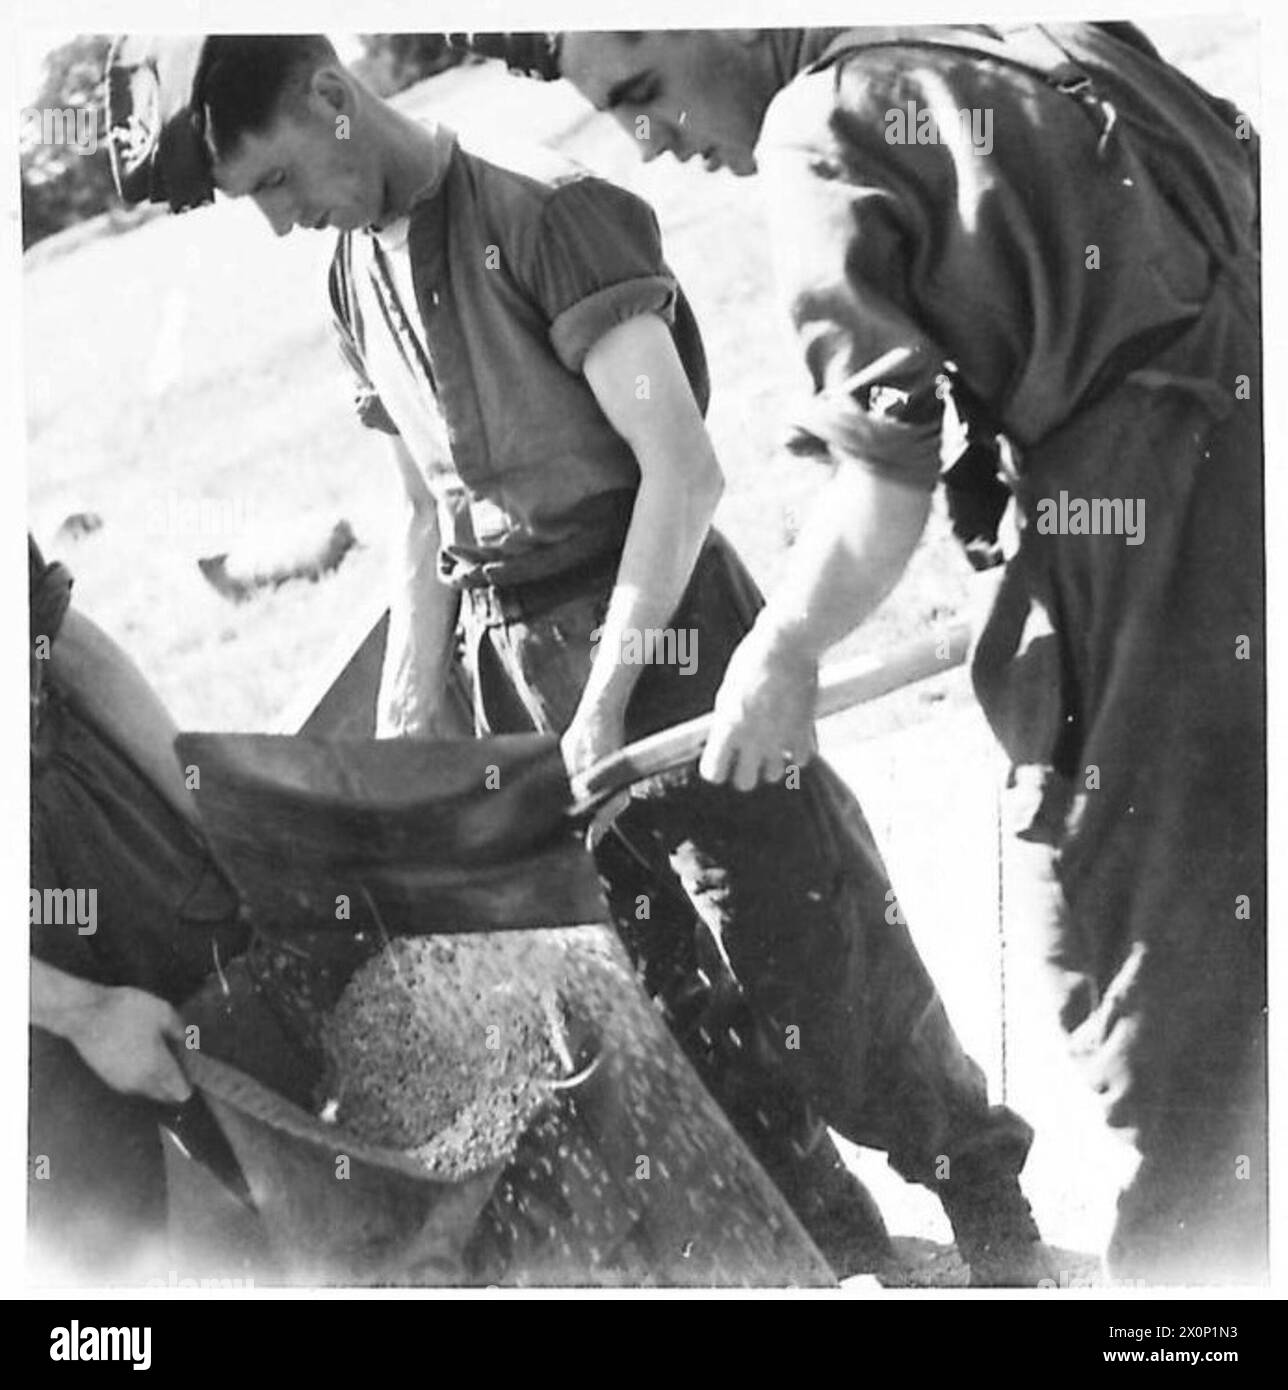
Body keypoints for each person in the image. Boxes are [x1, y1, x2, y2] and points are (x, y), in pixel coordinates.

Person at [106, 33, 1048, 1283]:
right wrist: (413, 696)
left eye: (276, 182)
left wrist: (607, 689)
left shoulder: (542, 207)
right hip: (516, 664)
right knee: (654, 994)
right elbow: (418, 504)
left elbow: (682, 469)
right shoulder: (346, 272)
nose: (281, 223)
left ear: (332, 99)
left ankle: (988, 1205)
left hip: (662, 632)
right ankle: (832, 1245)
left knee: (811, 952)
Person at [479, 23, 1266, 1282]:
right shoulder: (1024, 30)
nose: (648, 142)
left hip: (1139, 615)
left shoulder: (819, 126)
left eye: (641, 92)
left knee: (1160, 1056)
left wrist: (779, 652)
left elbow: (878, 478)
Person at [28, 537, 250, 1279]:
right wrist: (79, 1011)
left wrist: (210, 813)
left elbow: (52, 632)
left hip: (86, 800)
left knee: (253, 1090)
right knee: (95, 1238)